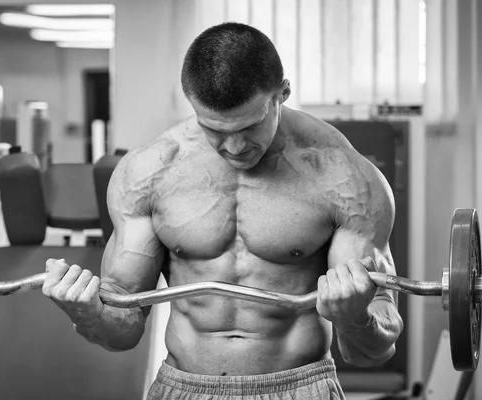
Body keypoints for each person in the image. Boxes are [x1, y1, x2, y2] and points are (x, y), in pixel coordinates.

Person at [42, 22, 404, 400]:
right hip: (184, 387)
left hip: (300, 388)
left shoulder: (345, 179)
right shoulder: (148, 173)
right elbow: (124, 330)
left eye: (250, 126)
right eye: (213, 129)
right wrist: (86, 313)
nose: (233, 147)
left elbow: (371, 352)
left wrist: (355, 317)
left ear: (282, 93)